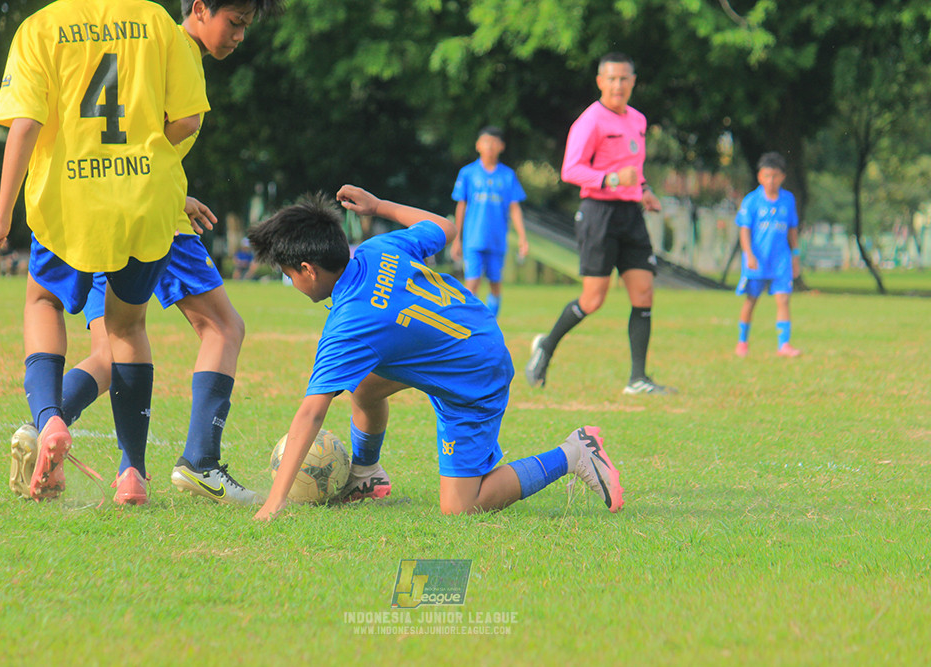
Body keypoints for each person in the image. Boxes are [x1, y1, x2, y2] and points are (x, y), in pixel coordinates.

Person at [5, 0, 279, 507]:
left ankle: (44, 420)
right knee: (221, 328)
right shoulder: (164, 41)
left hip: (87, 210)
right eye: (235, 23)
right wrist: (167, 183)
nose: (239, 36)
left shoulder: (89, 33)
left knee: (109, 347)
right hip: (154, 217)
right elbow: (181, 123)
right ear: (199, 9)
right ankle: (199, 462)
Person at [246, 185, 624, 521]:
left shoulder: (349, 324)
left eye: (288, 274)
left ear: (308, 270)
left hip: (475, 375)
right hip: (477, 333)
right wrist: (378, 205)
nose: (292, 282)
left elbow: (311, 411)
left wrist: (274, 502)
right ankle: (364, 474)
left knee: (461, 505)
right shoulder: (380, 248)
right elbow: (445, 226)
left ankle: (574, 453)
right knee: (362, 385)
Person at [0, 0, 210, 503]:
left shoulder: (41, 27)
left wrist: (1, 217)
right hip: (144, 204)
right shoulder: (156, 22)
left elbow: (25, 125)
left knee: (43, 302)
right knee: (127, 328)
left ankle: (51, 418)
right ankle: (132, 474)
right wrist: (145, 161)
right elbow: (188, 120)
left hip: (68, 204)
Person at [525, 52, 674, 395]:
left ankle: (638, 380)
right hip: (598, 214)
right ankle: (546, 346)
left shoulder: (638, 119)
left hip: (631, 215)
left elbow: (633, 168)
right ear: (600, 82)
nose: (618, 85)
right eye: (611, 79)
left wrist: (645, 190)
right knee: (593, 300)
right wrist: (610, 179)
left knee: (643, 293)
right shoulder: (590, 121)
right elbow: (570, 170)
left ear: (633, 82)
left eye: (624, 78)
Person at [449, 126, 529, 316]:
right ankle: (467, 323)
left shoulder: (508, 175)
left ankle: (491, 322)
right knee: (472, 283)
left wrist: (522, 237)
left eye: (494, 142)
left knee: (495, 284)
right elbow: (461, 206)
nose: (490, 146)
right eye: (486, 142)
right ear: (478, 145)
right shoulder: (468, 173)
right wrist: (457, 238)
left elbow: (514, 207)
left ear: (501, 146)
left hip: (497, 239)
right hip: (474, 238)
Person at [734, 152, 801, 358]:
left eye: (775, 176)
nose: (771, 180)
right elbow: (744, 230)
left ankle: (784, 345)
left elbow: (792, 230)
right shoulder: (752, 201)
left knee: (783, 300)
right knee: (751, 300)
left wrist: (795, 256)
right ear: (760, 177)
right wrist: (749, 255)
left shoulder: (788, 200)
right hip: (757, 261)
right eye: (767, 175)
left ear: (782, 177)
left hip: (780, 260)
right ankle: (742, 342)